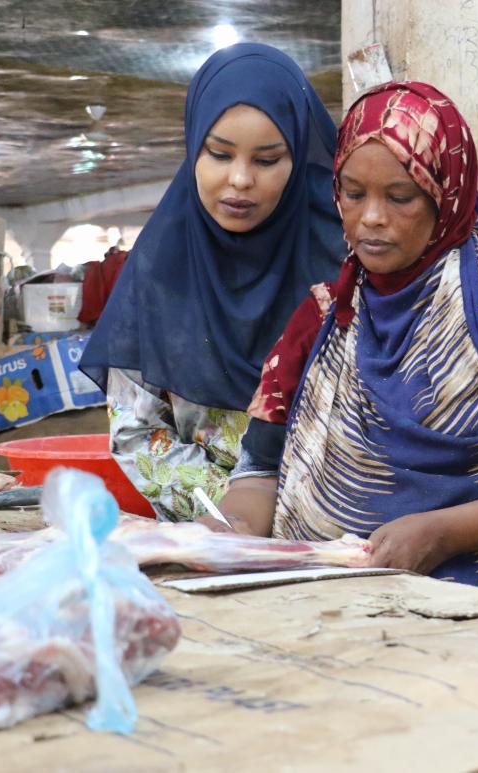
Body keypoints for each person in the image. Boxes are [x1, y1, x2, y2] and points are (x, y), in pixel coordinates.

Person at [217, 82, 478, 626]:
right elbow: (258, 474)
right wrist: (228, 534)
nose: (370, 217)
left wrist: (442, 533)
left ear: (446, 194)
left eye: (400, 197)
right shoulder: (324, 317)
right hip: (321, 614)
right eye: (352, 193)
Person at [79, 44, 345, 520]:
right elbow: (136, 433)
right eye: (219, 154)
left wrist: (312, 508)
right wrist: (239, 512)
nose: (240, 179)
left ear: (299, 154)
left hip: (345, 521)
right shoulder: (161, 268)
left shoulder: (346, 259)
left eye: (267, 160)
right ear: (193, 147)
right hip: (212, 527)